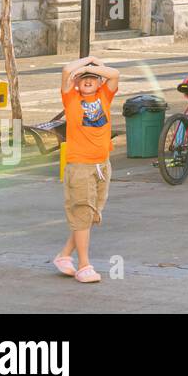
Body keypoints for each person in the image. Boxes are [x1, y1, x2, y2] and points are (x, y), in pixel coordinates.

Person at [53, 56, 120, 284]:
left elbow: (115, 74)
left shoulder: (104, 96)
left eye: (93, 78)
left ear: (99, 83)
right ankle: (84, 265)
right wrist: (87, 61)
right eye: (83, 78)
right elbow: (66, 70)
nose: (88, 80)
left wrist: (95, 67)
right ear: (76, 83)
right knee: (82, 213)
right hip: (80, 165)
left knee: (90, 215)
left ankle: (64, 256)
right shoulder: (70, 98)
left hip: (102, 164)